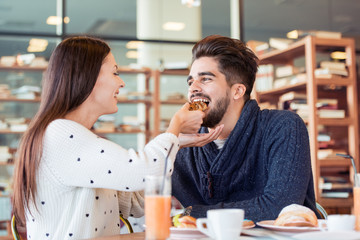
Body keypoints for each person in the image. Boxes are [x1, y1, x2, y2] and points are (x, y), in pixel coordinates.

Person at [11, 36, 212, 239]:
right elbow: (143, 171)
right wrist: (175, 127)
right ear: (86, 76)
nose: (121, 82)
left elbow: (135, 203)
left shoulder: (70, 135)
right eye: (115, 72)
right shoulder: (61, 134)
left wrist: (176, 144)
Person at [173, 35, 321, 222]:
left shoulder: (283, 127)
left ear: (238, 91)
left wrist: (192, 213)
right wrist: (172, 139)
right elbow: (140, 198)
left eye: (205, 79)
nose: (193, 88)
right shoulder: (183, 147)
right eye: (190, 81)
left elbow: (279, 207)